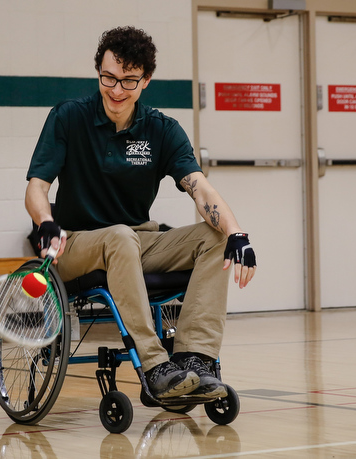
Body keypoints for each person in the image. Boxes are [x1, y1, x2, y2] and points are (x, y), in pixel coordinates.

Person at [25, 26, 256, 400]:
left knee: (214, 237)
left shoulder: (161, 130)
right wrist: (45, 221)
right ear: (98, 71)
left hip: (136, 240)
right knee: (119, 236)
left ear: (146, 80)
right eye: (108, 78)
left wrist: (236, 233)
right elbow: (37, 186)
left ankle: (195, 359)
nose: (116, 90)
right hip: (75, 246)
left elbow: (200, 188)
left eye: (129, 81)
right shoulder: (69, 118)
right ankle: (154, 364)